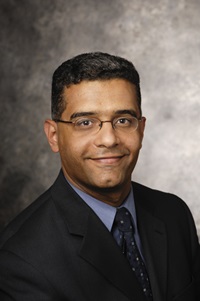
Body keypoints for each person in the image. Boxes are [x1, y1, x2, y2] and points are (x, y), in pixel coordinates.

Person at [0, 52, 199, 301]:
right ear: (53, 136)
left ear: (142, 129)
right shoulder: (19, 259)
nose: (109, 139)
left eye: (123, 120)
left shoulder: (174, 214)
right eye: (85, 122)